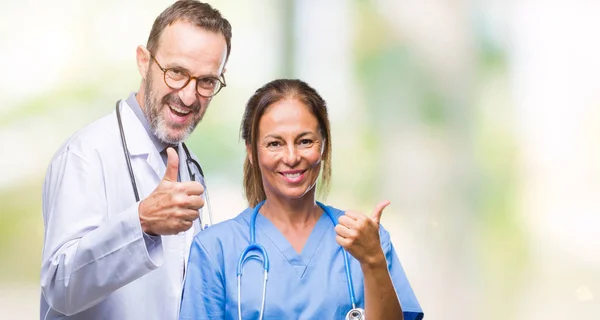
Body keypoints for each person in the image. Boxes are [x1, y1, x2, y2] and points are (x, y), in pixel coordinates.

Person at [39, 1, 232, 319]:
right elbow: (60, 286)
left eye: (206, 81)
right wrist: (142, 223)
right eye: (177, 73)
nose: (188, 96)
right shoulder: (85, 155)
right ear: (144, 62)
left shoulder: (190, 164)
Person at [179, 79, 424, 320]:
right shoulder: (216, 249)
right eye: (274, 143)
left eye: (305, 141)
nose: (292, 156)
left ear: (324, 147)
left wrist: (373, 261)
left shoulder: (368, 240)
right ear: (252, 153)